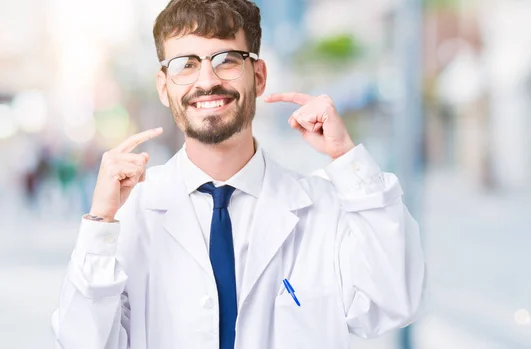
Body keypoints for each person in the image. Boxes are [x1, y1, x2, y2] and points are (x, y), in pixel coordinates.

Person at [51, 0, 425, 348]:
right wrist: (99, 222)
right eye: (186, 64)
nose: (206, 81)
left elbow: (394, 303)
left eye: (227, 59)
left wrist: (347, 160)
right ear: (164, 88)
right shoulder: (129, 216)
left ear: (259, 76)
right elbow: (83, 340)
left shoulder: (324, 208)